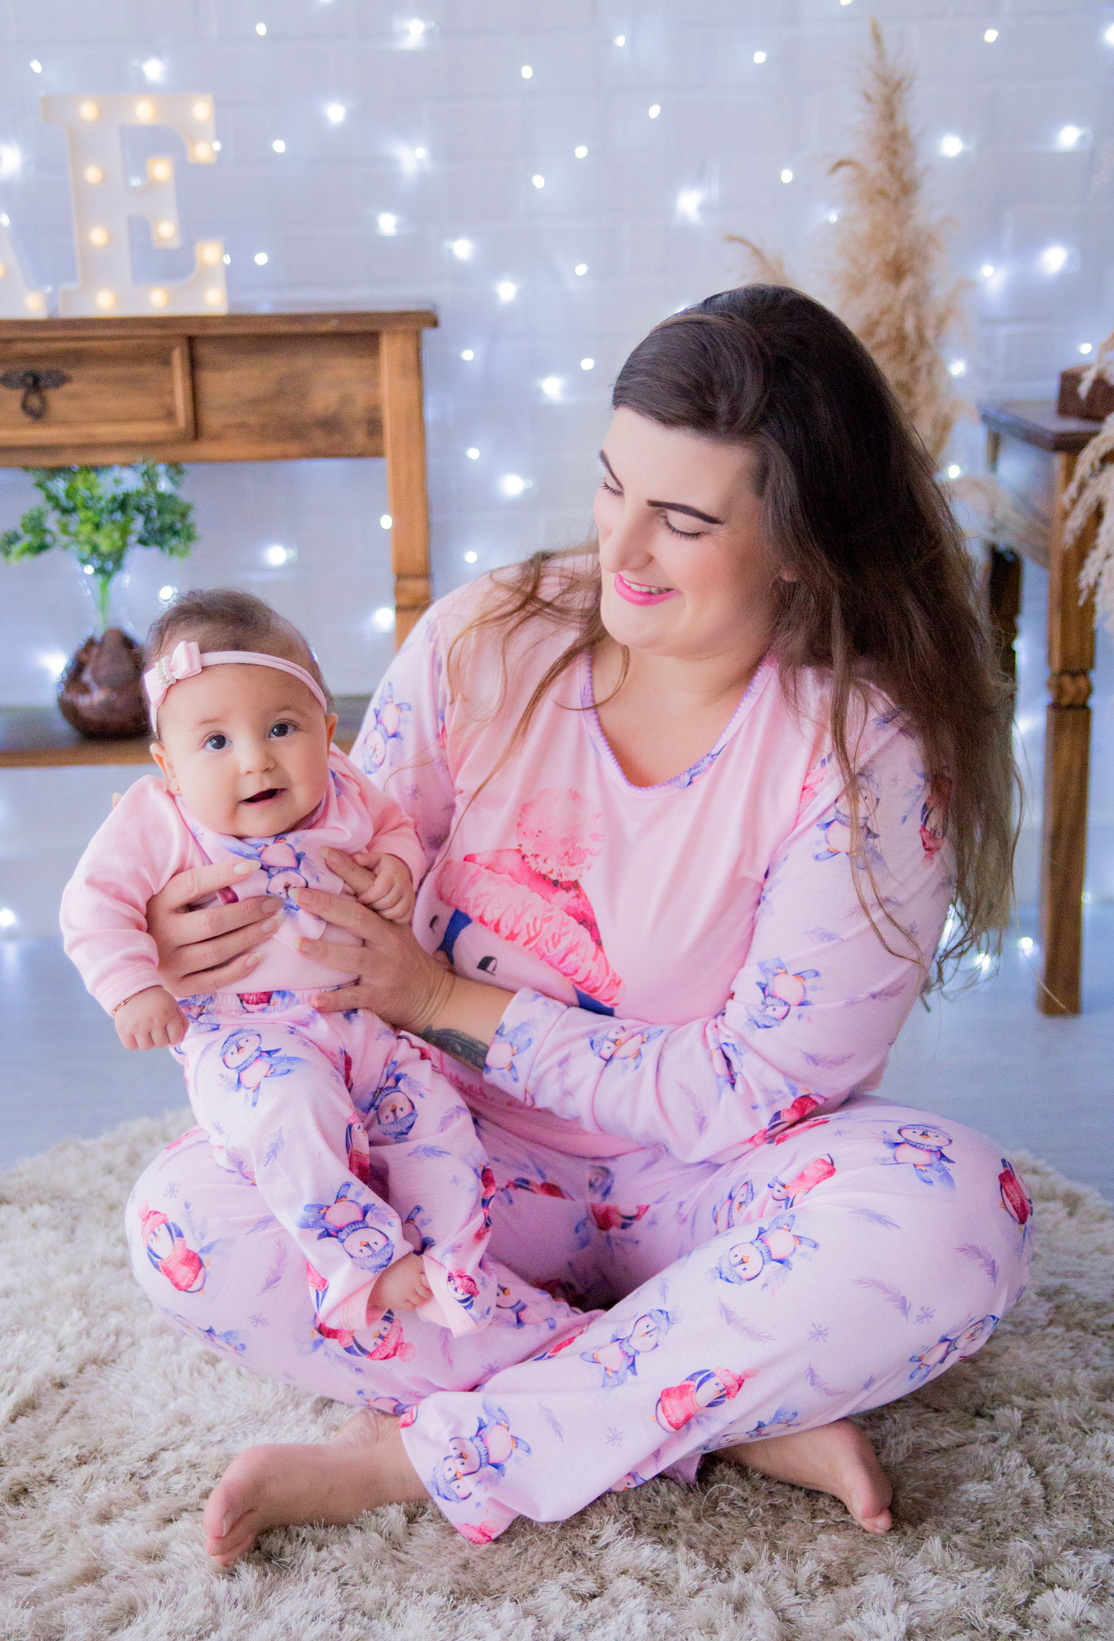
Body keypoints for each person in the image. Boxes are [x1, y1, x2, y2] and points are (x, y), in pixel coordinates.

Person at [127, 286, 1033, 1566]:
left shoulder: (863, 751)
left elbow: (762, 1088)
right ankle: (689, 1409)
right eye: (613, 488)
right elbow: (336, 855)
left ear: (798, 543)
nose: (624, 553)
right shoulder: (488, 640)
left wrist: (446, 1000)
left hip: (705, 1183)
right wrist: (208, 907)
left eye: (684, 520)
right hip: (449, 1153)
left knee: (956, 1214)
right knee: (181, 1221)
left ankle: (433, 1449)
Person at [61, 590, 500, 1341]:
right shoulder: (157, 820)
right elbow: (92, 907)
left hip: (360, 1028)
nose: (256, 758)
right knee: (293, 1119)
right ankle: (362, 1268)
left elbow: (393, 826)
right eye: (216, 743)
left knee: (438, 1119)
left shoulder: (345, 788)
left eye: (281, 728)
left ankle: (456, 1260)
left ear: (327, 733)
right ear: (168, 765)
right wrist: (131, 986)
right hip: (247, 1043)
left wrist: (397, 863)